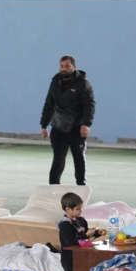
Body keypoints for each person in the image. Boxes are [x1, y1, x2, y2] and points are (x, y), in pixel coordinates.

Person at [40, 54, 95, 186]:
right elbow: (49, 104)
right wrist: (44, 125)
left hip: (77, 128)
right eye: (62, 66)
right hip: (58, 127)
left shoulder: (83, 84)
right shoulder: (55, 82)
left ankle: (81, 186)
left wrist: (86, 124)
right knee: (58, 159)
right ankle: (53, 187)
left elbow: (89, 105)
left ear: (74, 67)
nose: (64, 69)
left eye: (67, 66)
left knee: (79, 158)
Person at [57, 192, 104, 271]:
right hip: (69, 257)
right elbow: (71, 242)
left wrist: (95, 233)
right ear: (68, 209)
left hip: (83, 254)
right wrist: (87, 235)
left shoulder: (81, 221)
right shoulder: (64, 224)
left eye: (81, 208)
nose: (80, 211)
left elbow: (86, 235)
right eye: (77, 209)